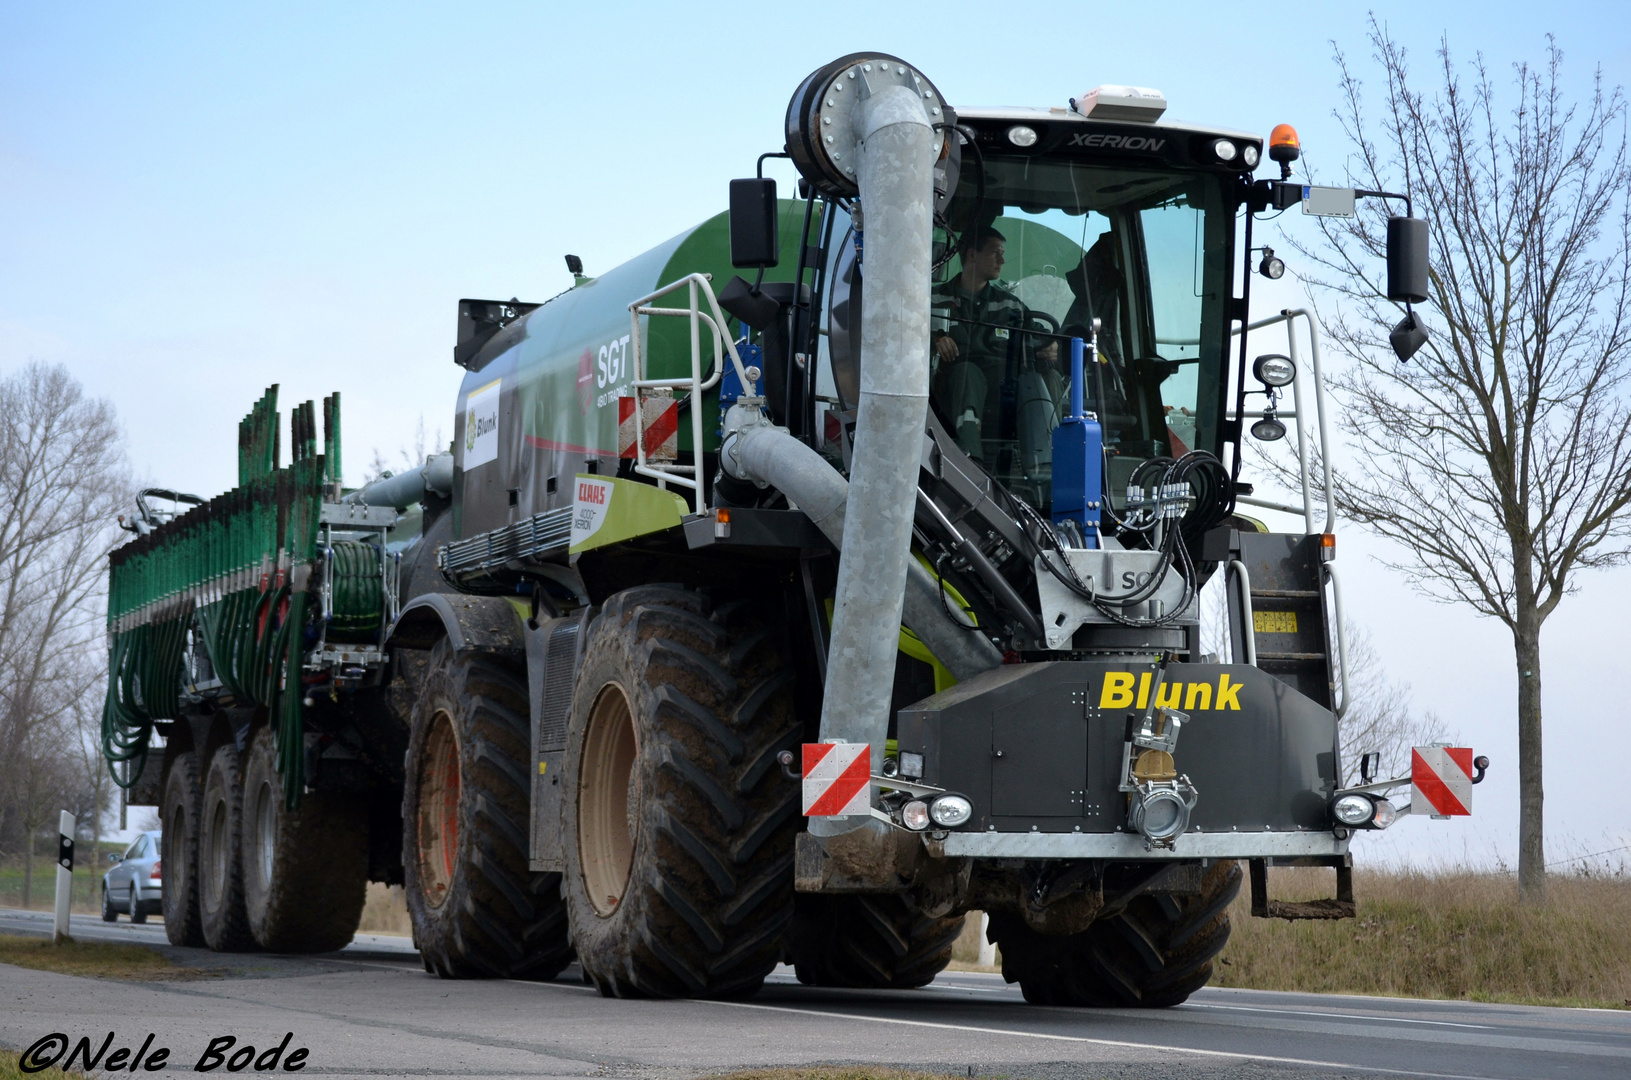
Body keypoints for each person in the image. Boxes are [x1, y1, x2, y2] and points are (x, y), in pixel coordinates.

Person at [930, 227, 1058, 458]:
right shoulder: (933, 300)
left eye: (1002, 253)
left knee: (1041, 378)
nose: (1002, 260)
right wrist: (934, 340)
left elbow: (1040, 333)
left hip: (1004, 388)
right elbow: (905, 337)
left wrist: (1052, 345)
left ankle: (1049, 461)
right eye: (995, 253)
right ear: (972, 255)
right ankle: (971, 461)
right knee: (968, 372)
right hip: (949, 388)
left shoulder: (1010, 306)